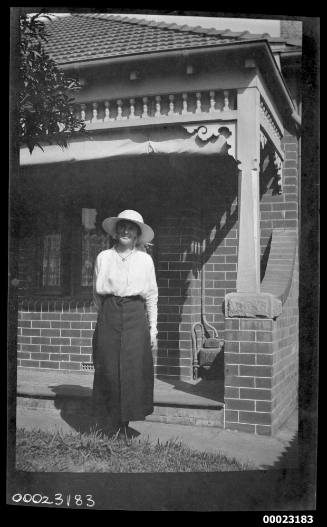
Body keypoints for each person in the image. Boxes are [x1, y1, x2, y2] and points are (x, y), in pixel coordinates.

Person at [92, 210, 158, 445]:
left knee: (131, 369)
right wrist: (104, 319)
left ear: (138, 234)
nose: (125, 231)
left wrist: (153, 330)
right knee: (109, 366)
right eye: (122, 227)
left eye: (130, 228)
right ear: (115, 231)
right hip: (109, 313)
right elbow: (96, 296)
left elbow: (151, 296)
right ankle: (110, 423)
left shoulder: (145, 260)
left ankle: (124, 424)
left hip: (135, 314)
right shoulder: (103, 257)